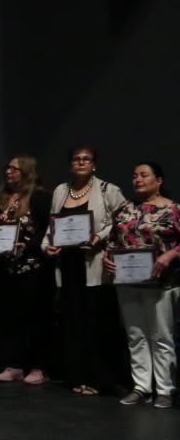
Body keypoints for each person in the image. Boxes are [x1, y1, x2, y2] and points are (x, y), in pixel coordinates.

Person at [42, 145, 130, 397]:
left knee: (96, 323)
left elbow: (123, 221)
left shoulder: (108, 190)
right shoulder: (61, 190)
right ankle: (76, 376)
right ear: (70, 164)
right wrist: (47, 246)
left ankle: (99, 379)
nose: (81, 162)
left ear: (94, 164)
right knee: (72, 323)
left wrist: (99, 237)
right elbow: (52, 224)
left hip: (94, 264)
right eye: (76, 159)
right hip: (68, 265)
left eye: (86, 159)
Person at [106, 161, 179, 407]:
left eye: (144, 175)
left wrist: (170, 255)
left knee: (161, 335)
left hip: (159, 282)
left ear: (158, 180)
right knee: (135, 335)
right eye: (135, 175)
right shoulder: (125, 209)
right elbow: (113, 241)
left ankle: (165, 388)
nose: (137, 179)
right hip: (128, 281)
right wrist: (109, 260)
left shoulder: (172, 209)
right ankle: (141, 386)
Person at [0, 156, 54, 384]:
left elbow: (48, 228)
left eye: (15, 169)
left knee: (36, 318)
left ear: (28, 172)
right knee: (10, 318)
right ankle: (15, 364)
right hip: (4, 267)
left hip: (31, 267)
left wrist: (29, 246)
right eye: (7, 168)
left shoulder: (40, 197)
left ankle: (39, 366)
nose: (9, 172)